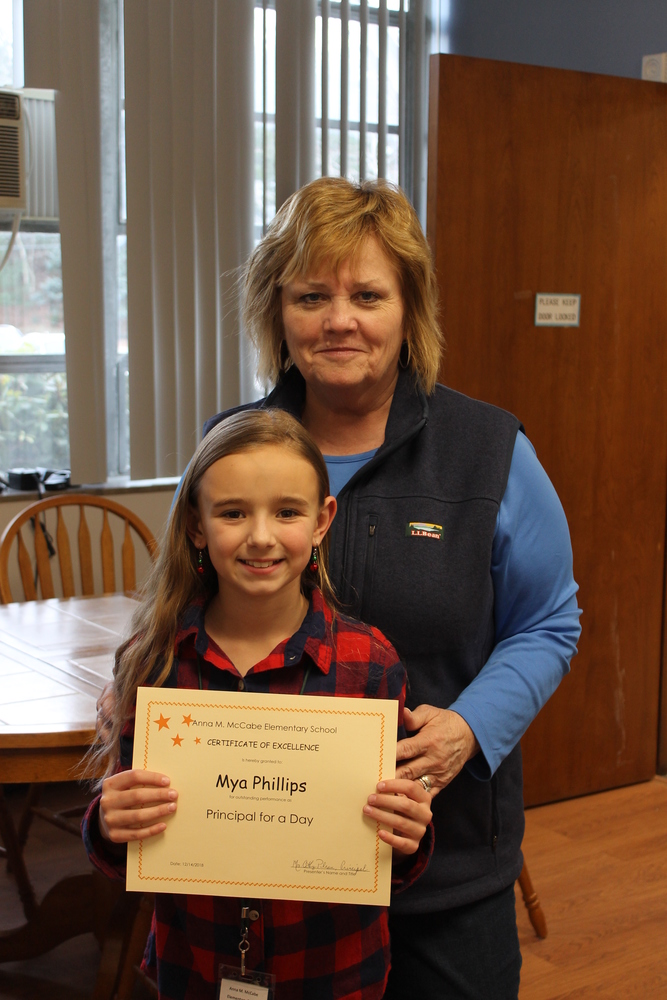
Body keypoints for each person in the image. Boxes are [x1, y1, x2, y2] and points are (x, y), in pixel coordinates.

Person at [96, 176, 581, 998]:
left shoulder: (488, 449)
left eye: (367, 294)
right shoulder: (232, 443)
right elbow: (180, 604)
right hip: (260, 889)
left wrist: (467, 729)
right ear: (277, 312)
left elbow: (548, 623)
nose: (339, 320)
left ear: (408, 309)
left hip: (441, 858)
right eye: (310, 295)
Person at [83, 408, 433, 1000]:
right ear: (197, 525)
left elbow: (393, 854)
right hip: (195, 962)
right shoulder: (154, 662)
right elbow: (124, 840)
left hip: (332, 969)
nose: (262, 536)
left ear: (323, 522)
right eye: (233, 512)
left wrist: (410, 831)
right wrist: (110, 825)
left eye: (287, 511)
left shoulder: (369, 662)